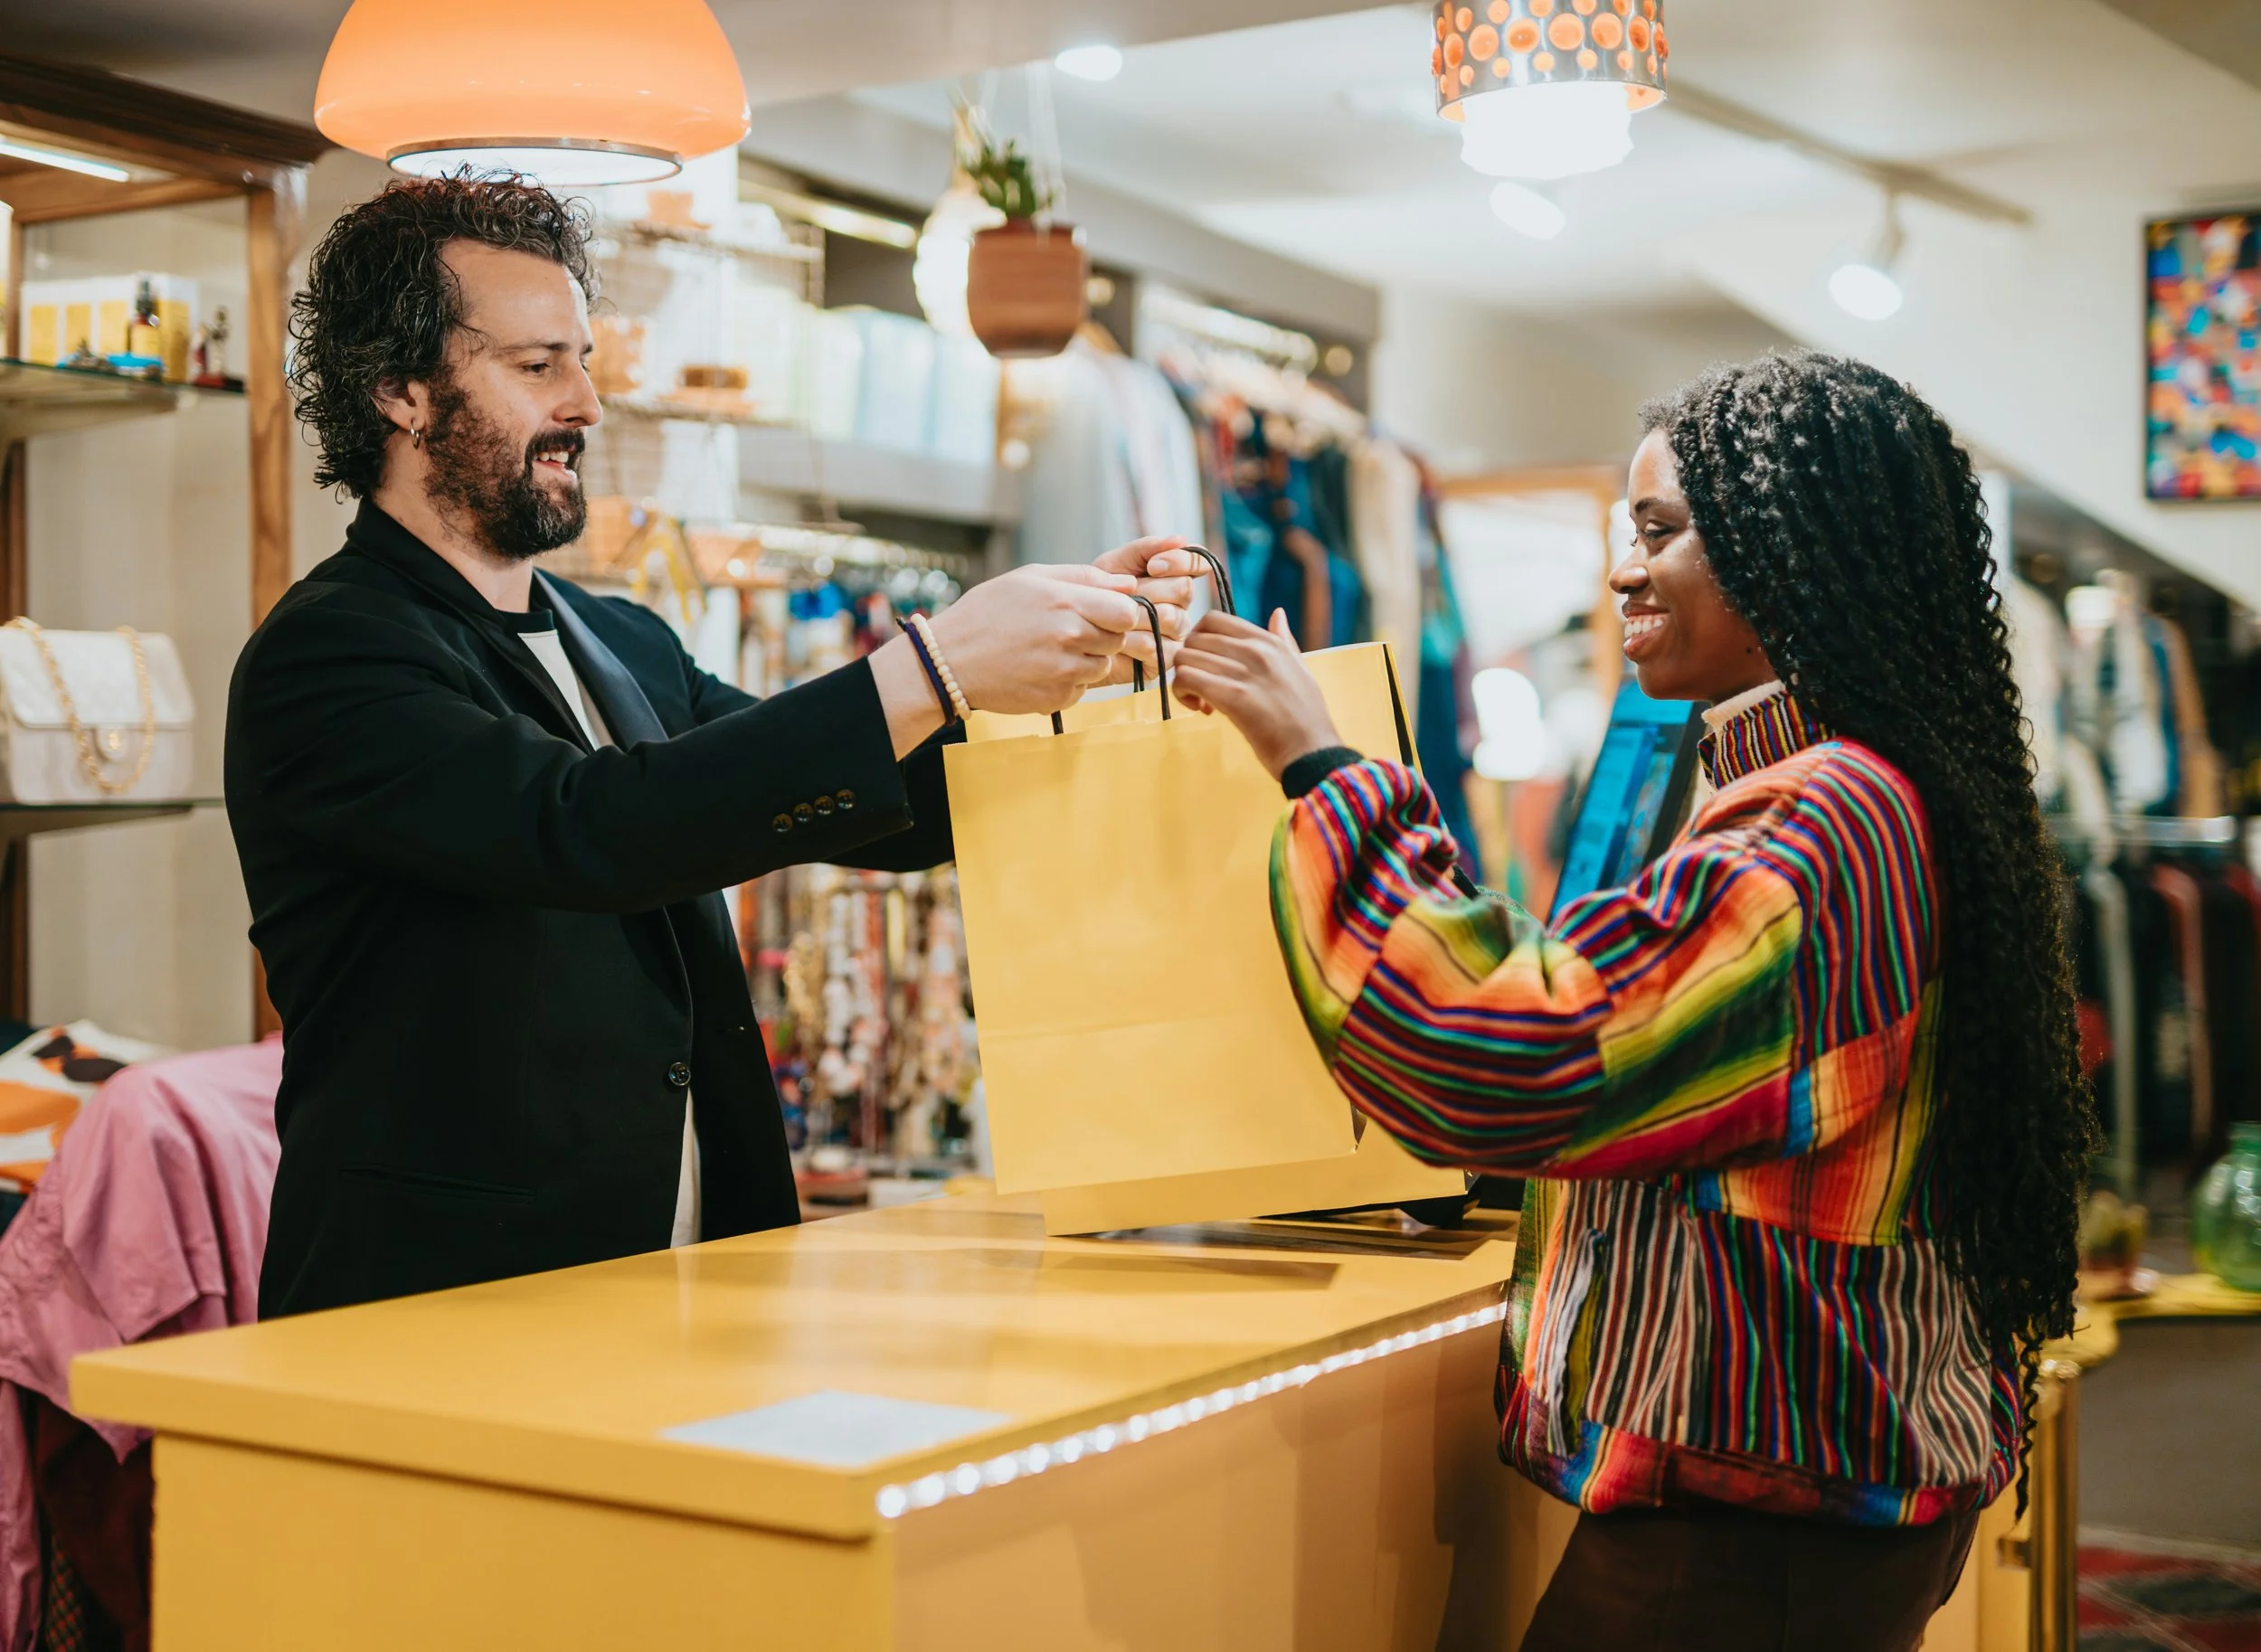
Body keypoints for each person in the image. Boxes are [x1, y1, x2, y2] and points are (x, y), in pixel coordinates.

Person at [1174, 352, 2093, 1651]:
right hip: (1818, 1499)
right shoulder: (1866, 786)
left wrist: (1321, 762)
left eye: (1660, 529)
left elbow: (1501, 1048)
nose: (1619, 571)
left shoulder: (1822, 818)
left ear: (1785, 547)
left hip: (1749, 1530)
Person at [229, 176, 1194, 1318]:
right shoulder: (328, 657)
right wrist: (931, 663)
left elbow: (867, 803)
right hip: (443, 1300)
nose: (588, 401)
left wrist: (1082, 670)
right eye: (538, 366)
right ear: (399, 390)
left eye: (585, 360)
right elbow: (594, 829)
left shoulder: (620, 639)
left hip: (685, 1282)